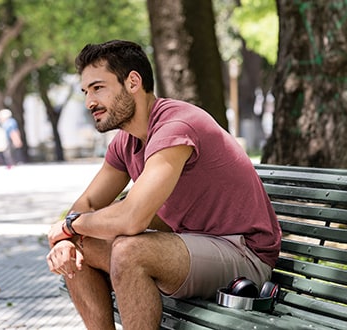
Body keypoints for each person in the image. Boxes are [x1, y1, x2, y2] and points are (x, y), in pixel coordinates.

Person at [46, 40, 282, 329]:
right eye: (86, 92)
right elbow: (90, 204)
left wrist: (69, 226)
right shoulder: (127, 141)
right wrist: (68, 239)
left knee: (129, 251)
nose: (89, 102)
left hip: (241, 253)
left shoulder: (176, 126)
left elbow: (132, 218)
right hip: (189, 248)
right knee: (79, 248)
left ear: (133, 81)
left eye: (98, 88)